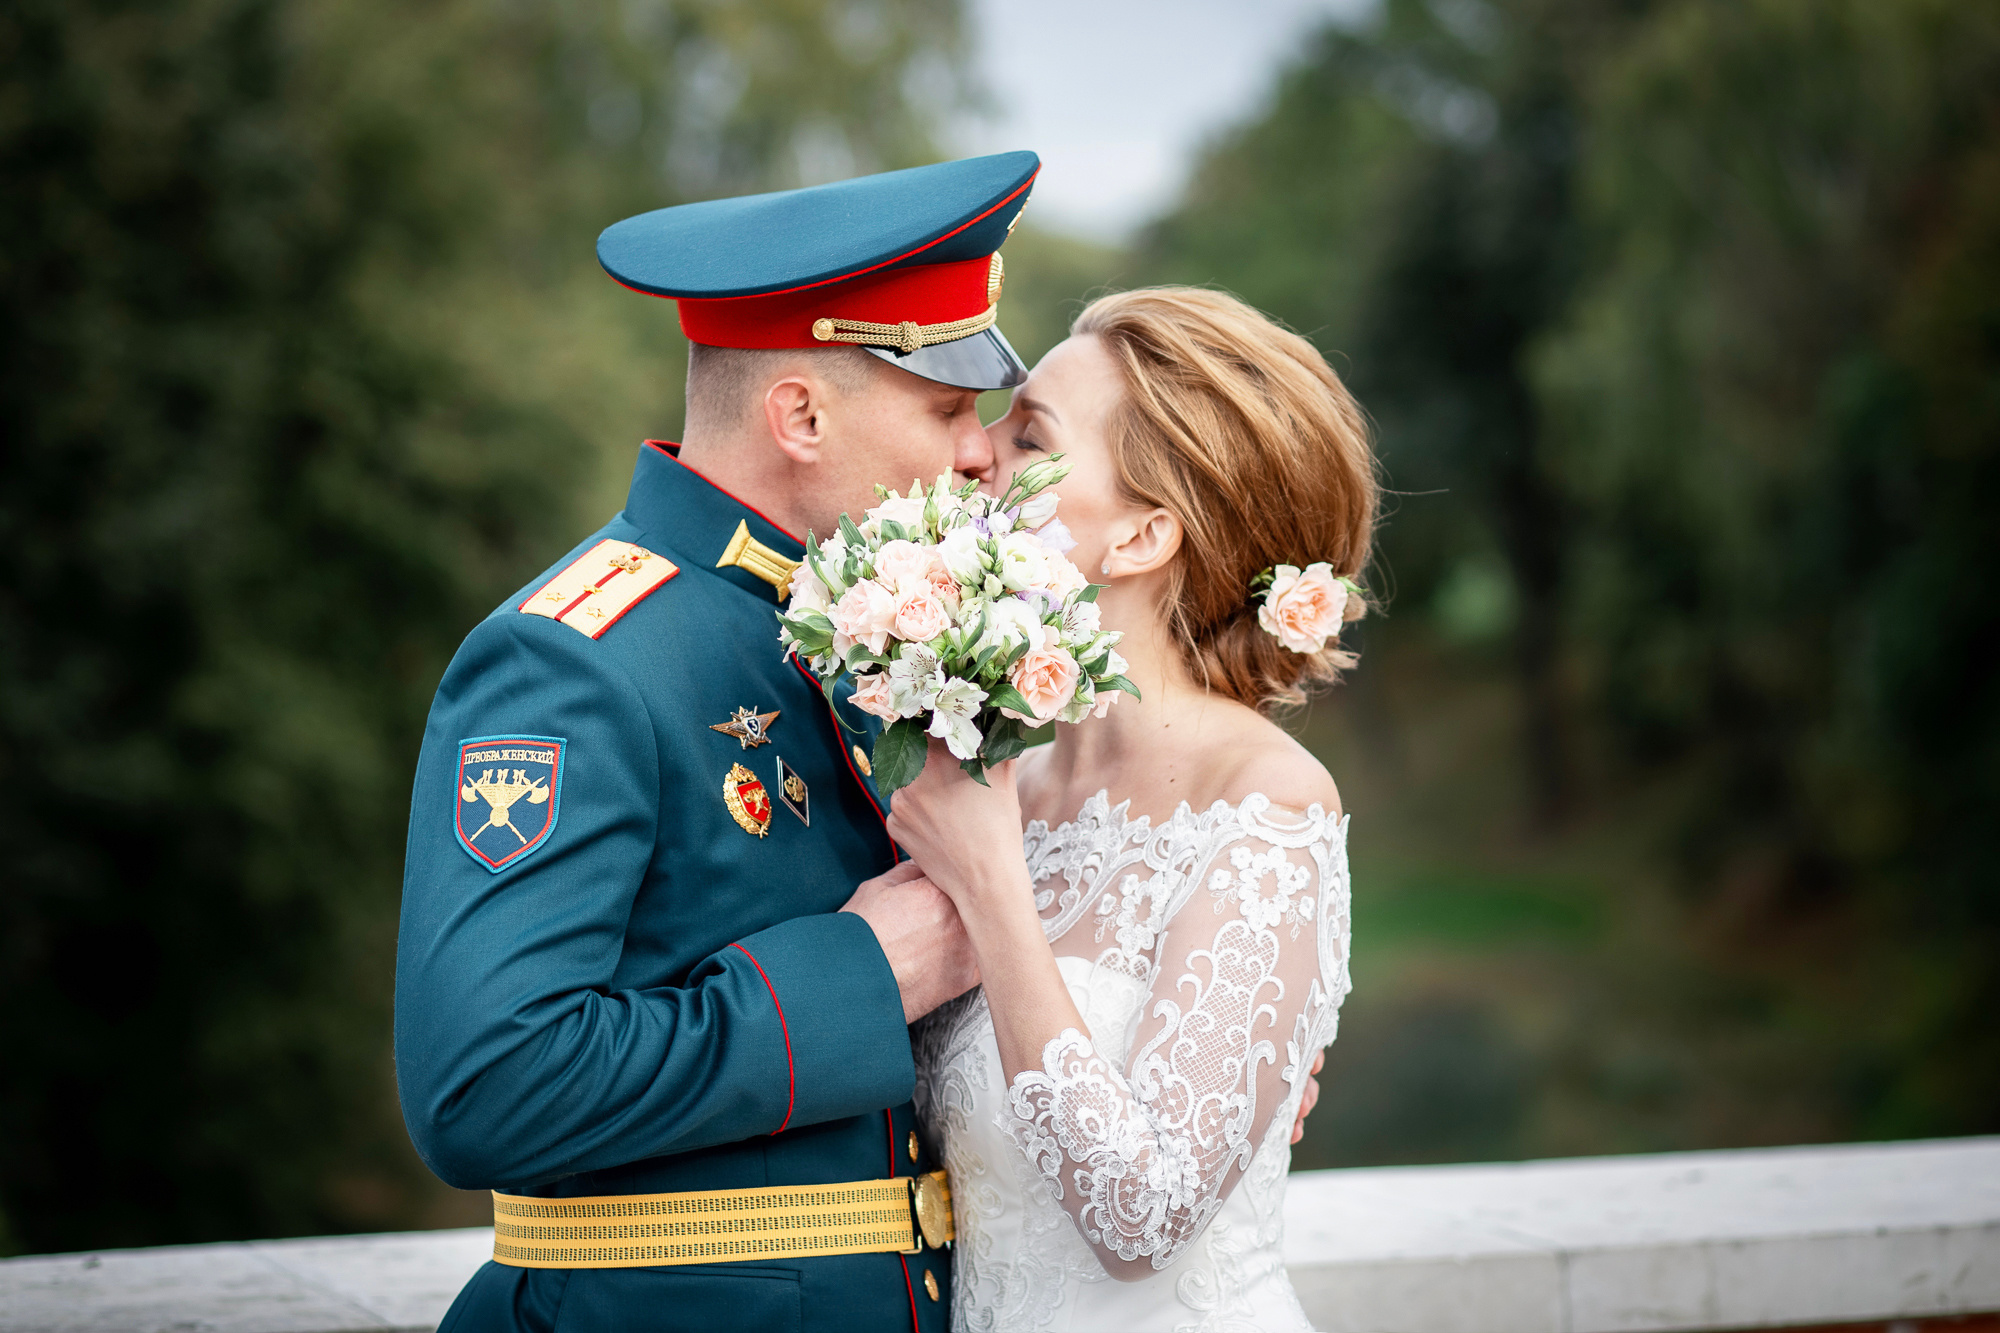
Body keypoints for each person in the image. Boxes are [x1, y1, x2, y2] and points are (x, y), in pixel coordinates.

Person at [395, 151, 1043, 1333]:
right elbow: (482, 1086)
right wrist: (856, 979)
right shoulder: (572, 658)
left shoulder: (878, 627)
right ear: (798, 413)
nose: (976, 454)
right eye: (948, 409)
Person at [891, 286, 1376, 1332]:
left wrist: (989, 886)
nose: (978, 452)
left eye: (1027, 436)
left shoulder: (1265, 800)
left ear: (1141, 534)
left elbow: (1143, 1218)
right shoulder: (982, 768)